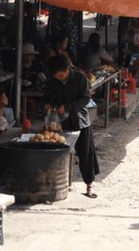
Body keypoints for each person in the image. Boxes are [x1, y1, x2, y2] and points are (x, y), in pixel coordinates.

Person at [44, 53, 100, 198]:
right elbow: (47, 97)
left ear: (68, 69)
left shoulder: (80, 78)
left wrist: (68, 107)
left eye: (61, 76)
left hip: (79, 119)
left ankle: (89, 185)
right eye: (56, 77)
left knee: (86, 154)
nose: (59, 78)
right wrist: (48, 105)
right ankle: (56, 184)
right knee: (57, 152)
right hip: (59, 122)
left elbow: (86, 98)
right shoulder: (51, 82)